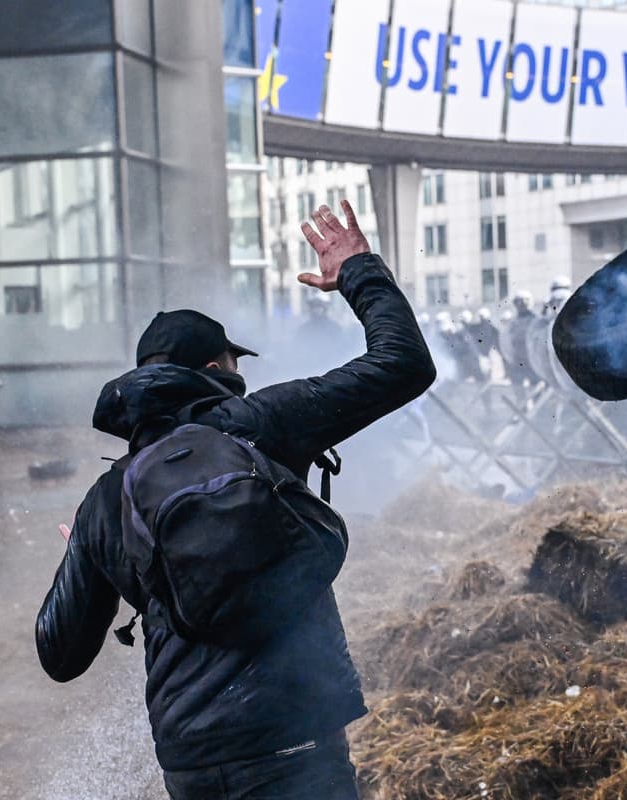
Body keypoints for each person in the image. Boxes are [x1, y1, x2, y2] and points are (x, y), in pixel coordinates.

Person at [35, 201, 435, 800]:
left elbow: (60, 654)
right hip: (296, 738)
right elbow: (405, 363)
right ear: (215, 367)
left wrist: (92, 562)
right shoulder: (264, 422)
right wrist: (358, 269)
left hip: (194, 765)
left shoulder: (107, 500)